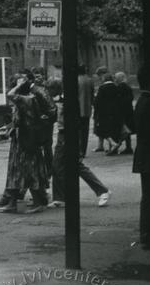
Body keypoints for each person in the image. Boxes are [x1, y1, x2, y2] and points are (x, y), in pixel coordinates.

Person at [47, 79, 110, 208]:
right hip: (63, 133)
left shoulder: (67, 100)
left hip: (68, 135)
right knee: (65, 165)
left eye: (50, 89)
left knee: (68, 165)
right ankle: (61, 197)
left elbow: (76, 121)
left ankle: (102, 190)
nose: (49, 92)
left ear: (56, 88)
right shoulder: (60, 99)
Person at [0, 70, 52, 214]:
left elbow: (10, 95)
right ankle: (12, 202)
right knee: (16, 171)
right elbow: (18, 119)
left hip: (27, 140)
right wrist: (9, 127)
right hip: (20, 139)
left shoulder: (28, 99)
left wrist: (19, 85)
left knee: (29, 170)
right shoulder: (24, 99)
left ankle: (38, 202)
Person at [132, 65, 150, 250]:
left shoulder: (143, 100)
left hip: (145, 154)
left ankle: (147, 234)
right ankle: (149, 235)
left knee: (149, 195)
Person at [94, 68, 122, 154]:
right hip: (115, 112)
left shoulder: (102, 88)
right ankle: (113, 147)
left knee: (103, 130)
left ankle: (113, 143)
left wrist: (96, 112)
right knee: (112, 129)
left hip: (104, 112)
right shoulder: (115, 87)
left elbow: (97, 102)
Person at [114, 71, 135, 155]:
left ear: (120, 78)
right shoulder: (128, 87)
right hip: (129, 110)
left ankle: (118, 146)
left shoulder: (120, 87)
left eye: (116, 78)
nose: (115, 79)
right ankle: (128, 147)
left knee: (123, 129)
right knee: (128, 129)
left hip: (123, 111)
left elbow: (118, 99)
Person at [77, 64, 95, 157]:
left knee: (77, 131)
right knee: (85, 131)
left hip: (77, 109)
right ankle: (83, 151)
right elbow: (92, 95)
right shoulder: (89, 80)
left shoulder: (75, 79)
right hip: (87, 109)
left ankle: (78, 149)